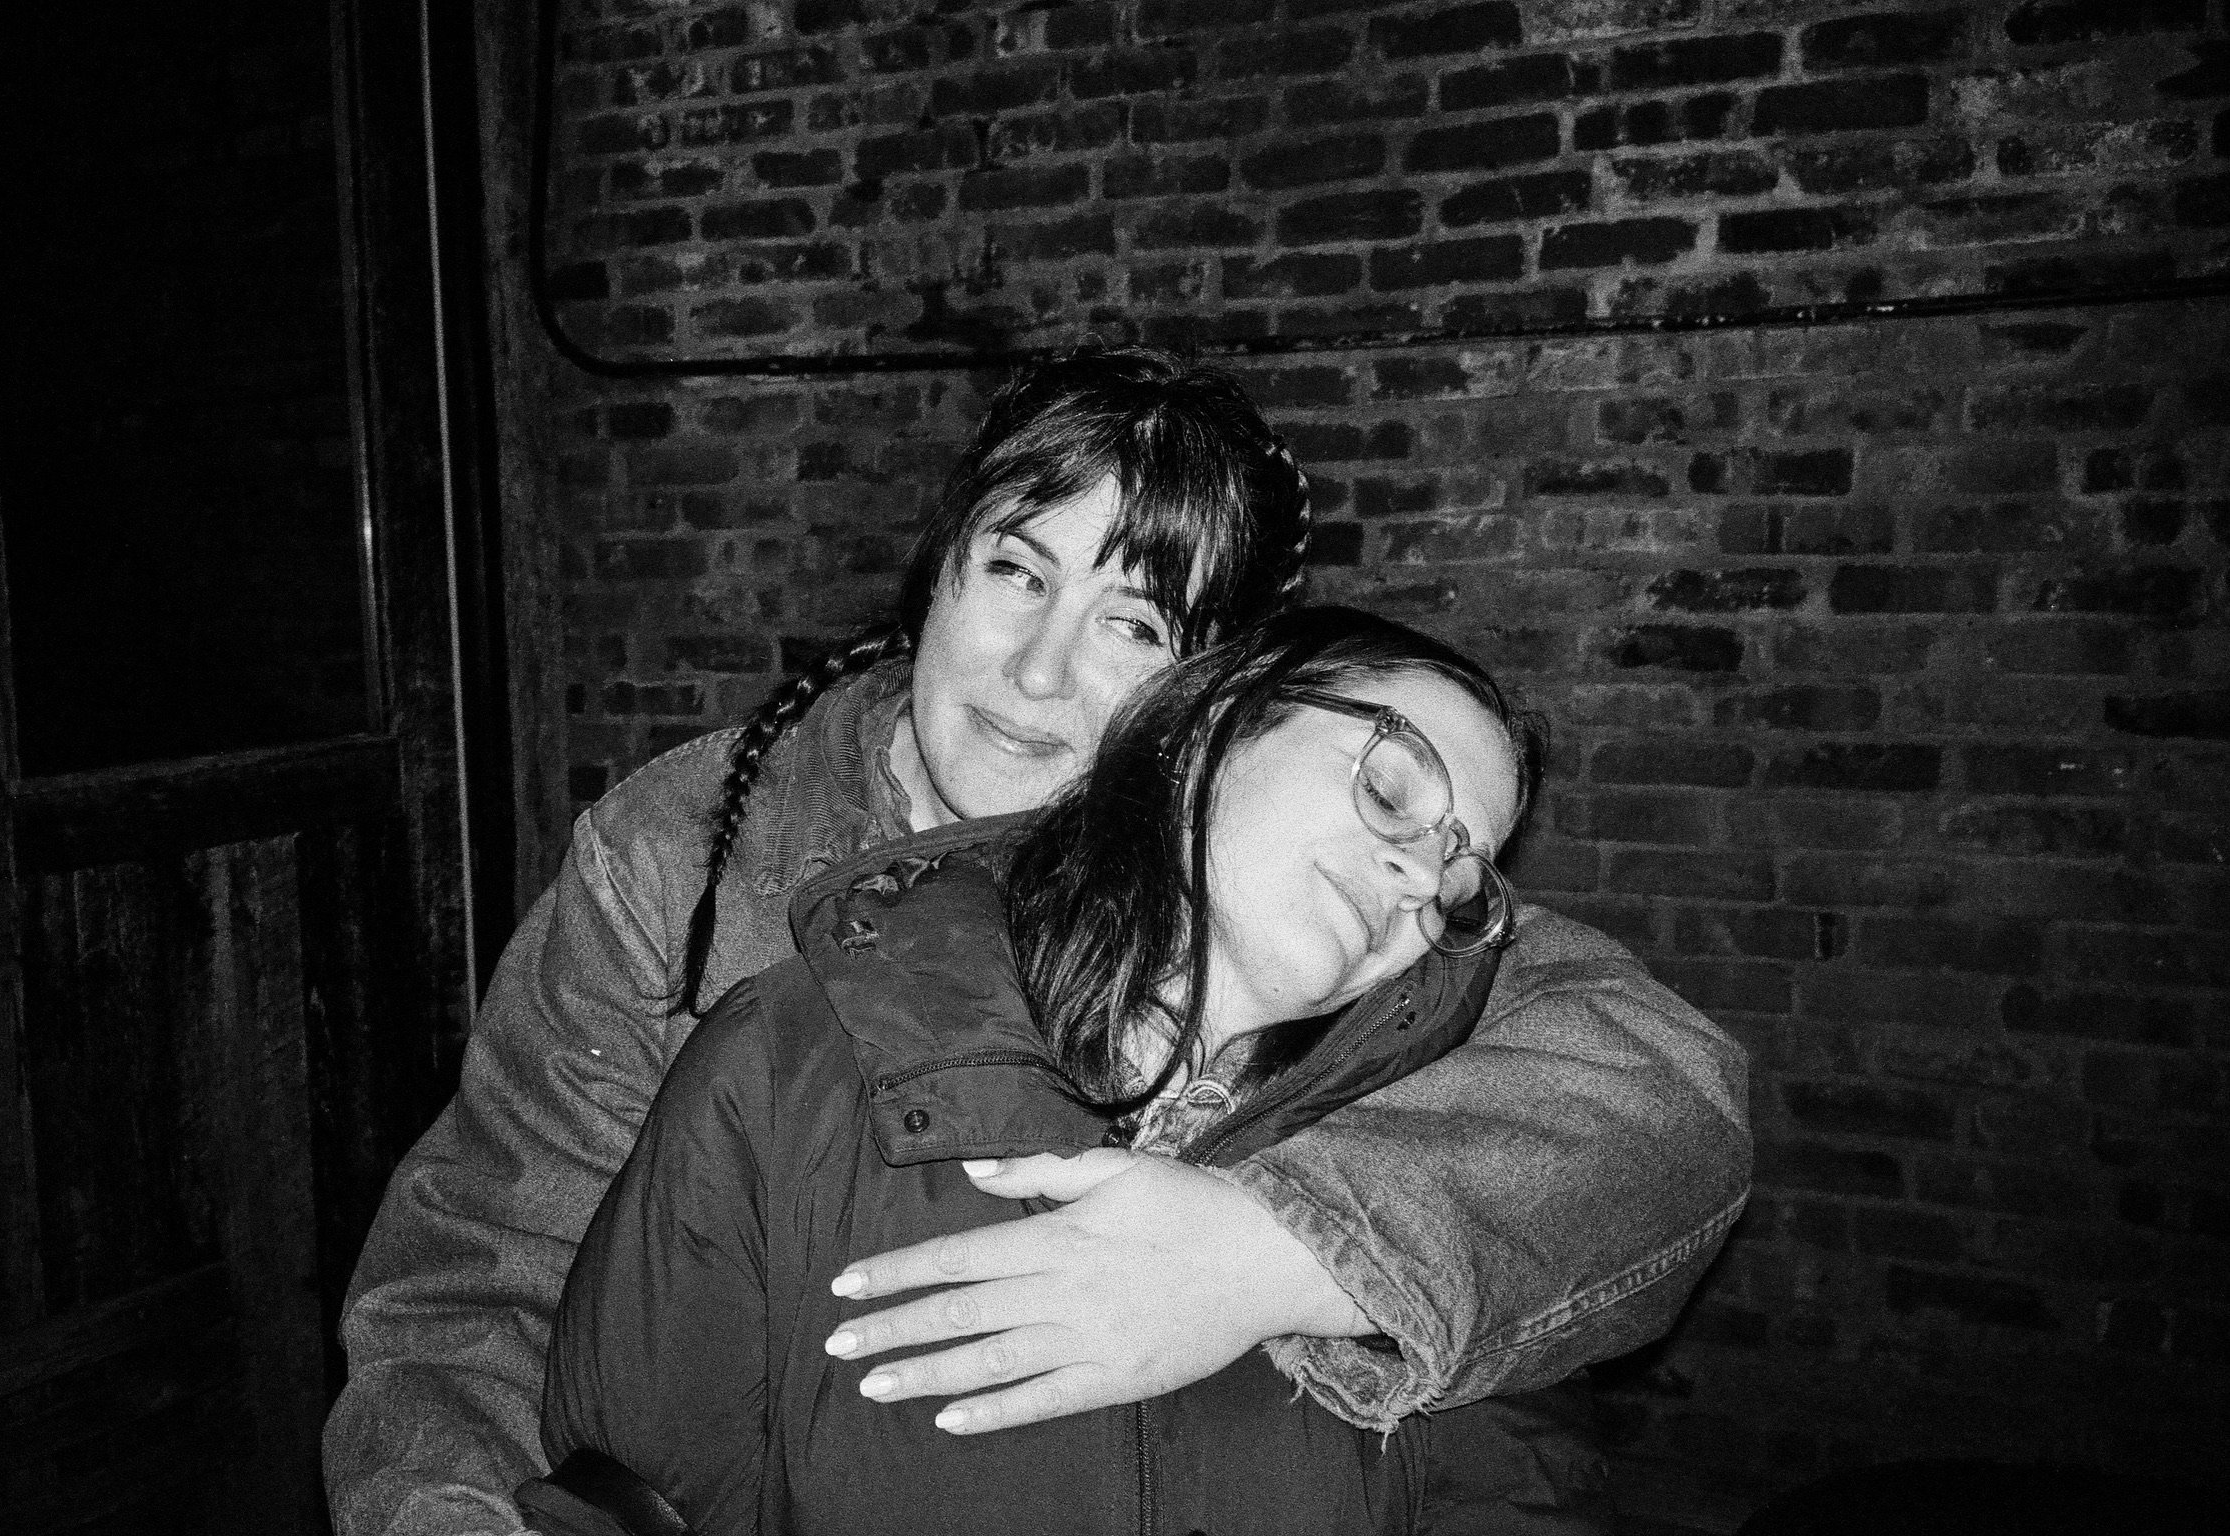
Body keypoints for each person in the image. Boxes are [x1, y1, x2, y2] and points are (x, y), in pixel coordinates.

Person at [323, 348, 1750, 1536]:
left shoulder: (1328, 914)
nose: (1039, 669)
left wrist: (1274, 1251)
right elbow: (484, 1274)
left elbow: (1653, 1099)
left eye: (1131, 621)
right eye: (1016, 574)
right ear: (937, 570)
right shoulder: (686, 859)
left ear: (1210, 696)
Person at [517, 607, 1602, 1536]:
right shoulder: (790, 1064)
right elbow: (630, 1498)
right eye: (1394, 785)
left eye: (1464, 869)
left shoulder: (1450, 1166)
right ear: (1212, 732)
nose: (1421, 870)